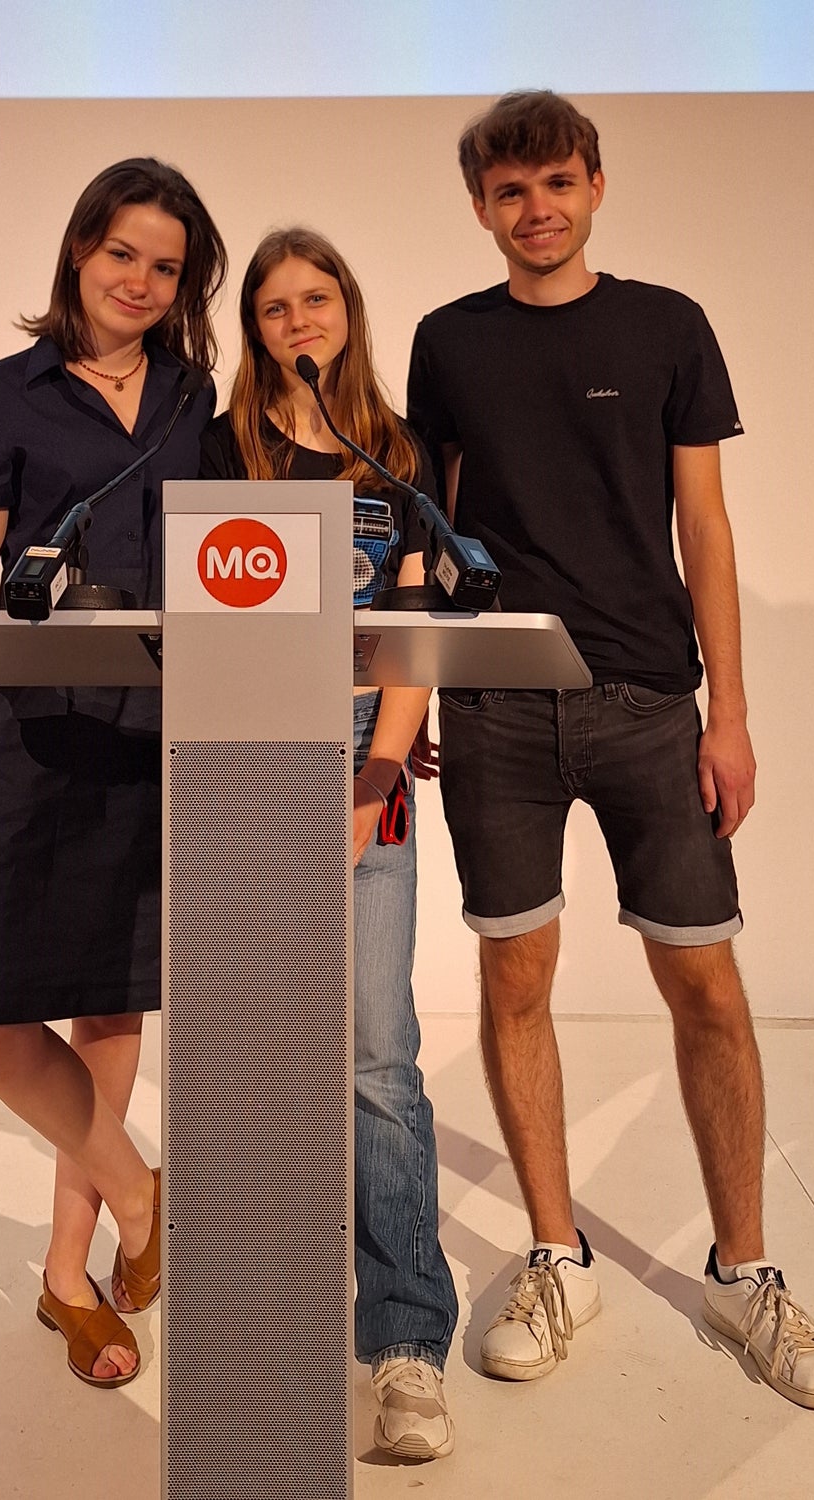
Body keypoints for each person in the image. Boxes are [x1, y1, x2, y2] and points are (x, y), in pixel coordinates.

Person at [407, 91, 814, 1411]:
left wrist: (731, 712)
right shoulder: (447, 341)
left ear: (595, 184)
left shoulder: (667, 326)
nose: (535, 209)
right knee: (515, 981)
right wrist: (414, 698)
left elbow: (702, 526)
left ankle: (743, 1273)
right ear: (479, 207)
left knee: (705, 985)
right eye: (509, 191)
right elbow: (433, 532)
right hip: (496, 709)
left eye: (556, 182)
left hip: (651, 703)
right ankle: (558, 1255)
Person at [0, 158, 227, 1388]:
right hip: (33, 734)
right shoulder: (1, 399)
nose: (139, 283)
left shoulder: (197, 398)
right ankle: (143, 1197)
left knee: (108, 1007)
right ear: (80, 251)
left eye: (166, 267)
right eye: (122, 255)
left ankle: (67, 1277)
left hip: (156, 732)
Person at [201, 227, 459, 1459]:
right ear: (253, 329)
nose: (298, 320)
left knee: (372, 1055)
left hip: (365, 759)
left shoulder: (396, 453)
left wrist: (374, 776)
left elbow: (413, 633)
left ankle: (405, 1345)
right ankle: (261, 1322)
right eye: (274, 306)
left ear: (346, 311)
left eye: (316, 299)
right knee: (252, 1050)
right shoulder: (224, 448)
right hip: (243, 761)